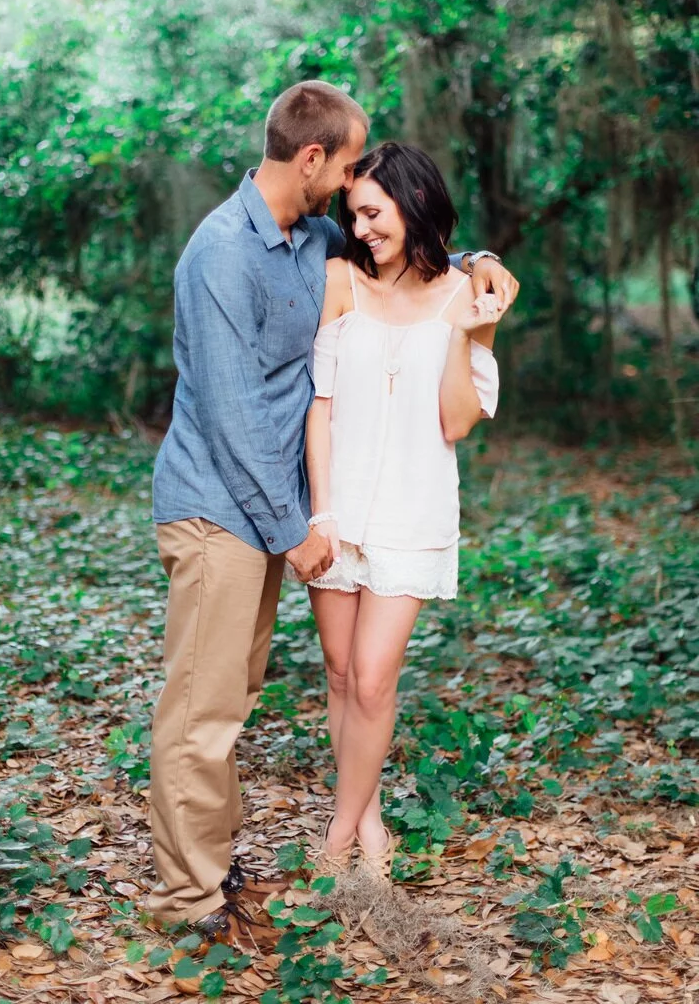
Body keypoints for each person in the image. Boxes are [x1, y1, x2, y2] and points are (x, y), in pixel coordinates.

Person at [148, 82, 519, 951]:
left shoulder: (307, 236)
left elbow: (417, 246)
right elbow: (237, 417)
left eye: (365, 190)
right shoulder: (220, 257)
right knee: (203, 709)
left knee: (231, 696)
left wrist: (481, 259)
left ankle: (218, 863)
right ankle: (189, 897)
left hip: (274, 512)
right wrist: (302, 529)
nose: (354, 200)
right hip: (224, 508)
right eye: (349, 169)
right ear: (313, 161)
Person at [305, 141, 508, 882]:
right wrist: (320, 515)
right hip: (336, 509)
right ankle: (368, 812)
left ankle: (337, 835)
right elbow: (318, 411)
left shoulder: (467, 297)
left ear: (412, 202)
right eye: (352, 215)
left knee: (371, 677)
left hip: (413, 516)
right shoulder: (339, 284)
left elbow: (455, 421)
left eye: (371, 213)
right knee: (336, 670)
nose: (359, 229)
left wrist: (465, 329)